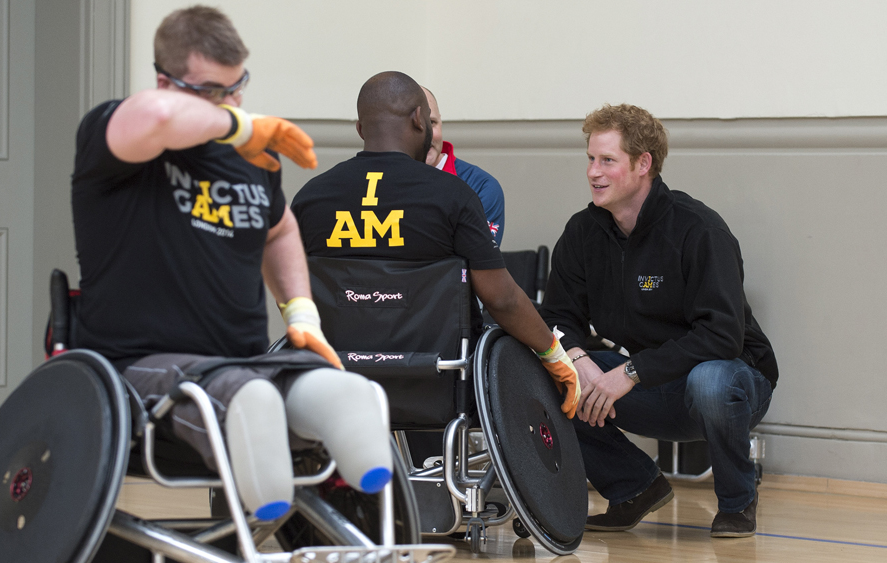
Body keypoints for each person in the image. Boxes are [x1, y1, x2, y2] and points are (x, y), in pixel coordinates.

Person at [70, 5, 393, 522]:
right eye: (213, 92)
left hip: (241, 359)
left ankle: (369, 541)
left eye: (237, 86)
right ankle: (265, 516)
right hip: (139, 365)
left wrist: (301, 314)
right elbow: (156, 117)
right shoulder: (115, 139)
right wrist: (240, 124)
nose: (232, 101)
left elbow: (280, 228)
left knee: (346, 392)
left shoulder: (248, 158)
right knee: (249, 398)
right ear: (165, 82)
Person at [541, 103, 779, 538]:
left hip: (732, 382)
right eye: (591, 159)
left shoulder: (699, 230)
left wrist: (629, 373)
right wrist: (579, 359)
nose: (594, 172)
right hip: (652, 386)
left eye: (607, 160)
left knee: (710, 380)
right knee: (555, 373)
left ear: (643, 164)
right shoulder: (582, 233)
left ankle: (737, 503)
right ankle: (635, 488)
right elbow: (557, 315)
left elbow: (722, 336)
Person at [290, 71, 581, 415]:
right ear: (419, 119)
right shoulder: (453, 196)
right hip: (436, 380)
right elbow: (501, 299)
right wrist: (554, 354)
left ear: (360, 129)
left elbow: (291, 291)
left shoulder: (310, 198)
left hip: (336, 382)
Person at [423, 87, 506, 246]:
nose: (427, 135)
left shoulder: (481, 187)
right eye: (416, 126)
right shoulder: (380, 181)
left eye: (432, 123)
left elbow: (476, 262)